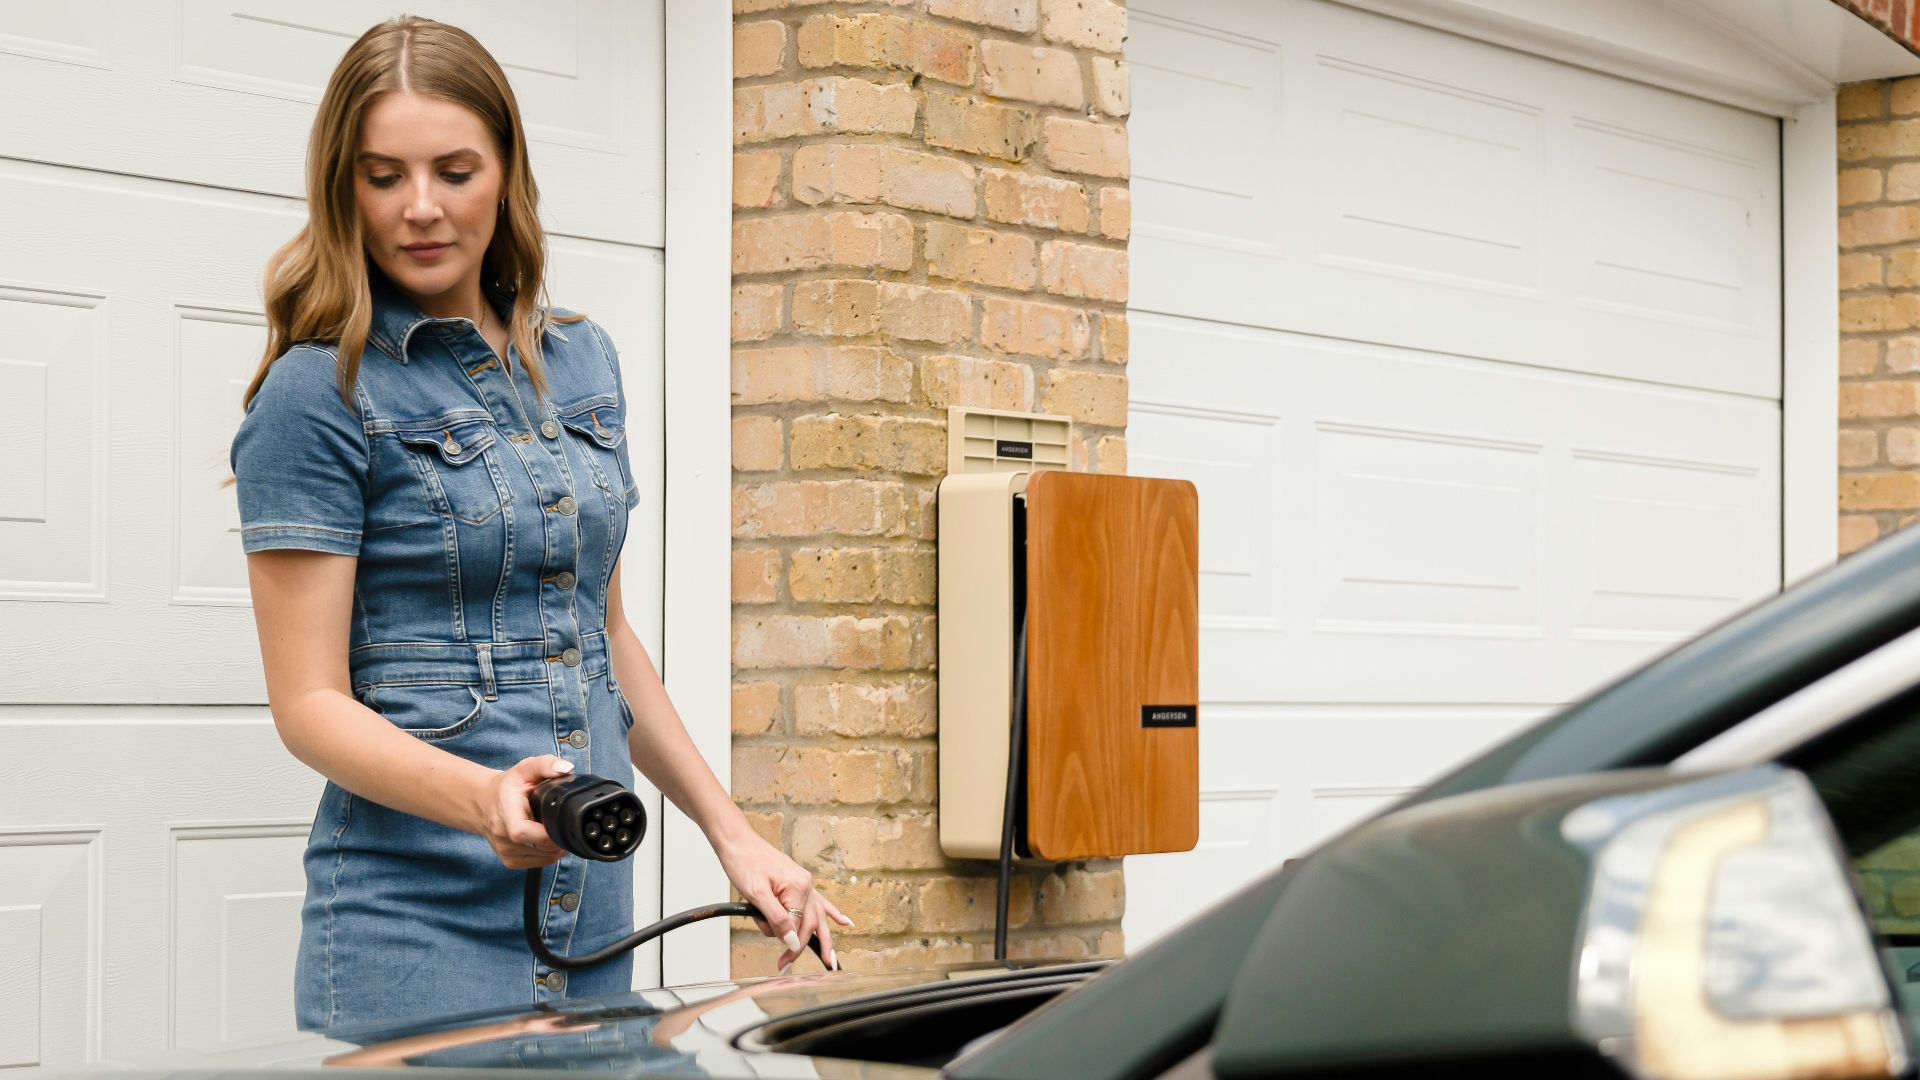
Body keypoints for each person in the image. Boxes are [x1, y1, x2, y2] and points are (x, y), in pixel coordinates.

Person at [229, 16, 846, 1032]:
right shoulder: (319, 393)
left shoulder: (582, 361)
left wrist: (735, 837)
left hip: (592, 914)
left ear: (508, 172)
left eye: (455, 170)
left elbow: (602, 641)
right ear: (344, 188)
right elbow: (309, 706)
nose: (420, 208)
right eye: (384, 176)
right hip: (413, 927)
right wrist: (483, 802)